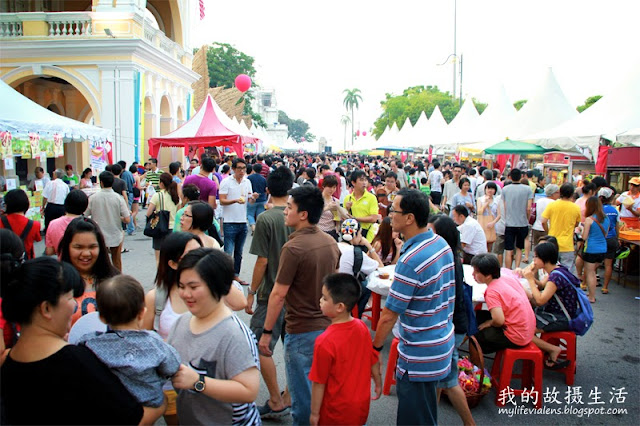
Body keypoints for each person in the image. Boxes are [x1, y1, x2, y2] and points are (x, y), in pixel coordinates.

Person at [0, 257, 151, 425]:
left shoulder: (10, 361)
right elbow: (132, 417)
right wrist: (160, 406)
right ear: (46, 308)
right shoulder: (77, 361)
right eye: (70, 297)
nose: (74, 305)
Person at [257, 185, 341, 425]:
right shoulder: (329, 242)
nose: (284, 211)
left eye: (290, 208)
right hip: (327, 327)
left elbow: (278, 294)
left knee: (302, 397)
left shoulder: (293, 248)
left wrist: (266, 332)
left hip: (302, 328)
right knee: (320, 387)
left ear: (303, 214)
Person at [372, 188, 456, 425]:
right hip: (441, 340)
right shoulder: (440, 242)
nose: (389, 214)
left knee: (415, 417)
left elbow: (389, 315)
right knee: (425, 412)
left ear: (409, 218)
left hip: (420, 353)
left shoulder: (410, 261)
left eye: (394, 210)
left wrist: (376, 349)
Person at [168, 248, 261, 425]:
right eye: (181, 286)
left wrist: (198, 382)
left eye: (193, 287)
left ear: (218, 285)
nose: (185, 294)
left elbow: (248, 391)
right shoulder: (181, 322)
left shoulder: (234, 334)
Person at [78, 275, 181, 408]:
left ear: (102, 317)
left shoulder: (89, 343)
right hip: (149, 402)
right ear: (142, 313)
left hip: (111, 404)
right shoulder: (153, 341)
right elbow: (172, 365)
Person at [246, 166, 294, 419]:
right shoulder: (299, 216)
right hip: (296, 295)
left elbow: (262, 261)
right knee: (295, 347)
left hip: (270, 293)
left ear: (267, 189)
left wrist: (251, 291)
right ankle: (288, 396)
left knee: (261, 345)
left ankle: (276, 400)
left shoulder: (266, 219)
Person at [309, 273, 381, 426]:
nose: (320, 301)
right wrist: (378, 381)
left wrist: (315, 413)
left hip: (335, 411)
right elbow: (372, 358)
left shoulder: (324, 342)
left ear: (340, 307)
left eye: (324, 298)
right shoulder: (361, 327)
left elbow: (319, 382)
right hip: (360, 405)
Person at [427, 215, 475, 426]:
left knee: (443, 379)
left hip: (451, 327)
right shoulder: (452, 256)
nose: (427, 236)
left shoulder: (447, 260)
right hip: (454, 326)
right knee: (446, 379)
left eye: (431, 232)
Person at [520, 242, 580, 369]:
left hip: (561, 317)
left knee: (521, 329)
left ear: (545, 259)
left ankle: (552, 349)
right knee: (524, 316)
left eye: (536, 257)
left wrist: (530, 280)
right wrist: (527, 276)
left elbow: (541, 300)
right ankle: (541, 349)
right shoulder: (558, 270)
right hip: (562, 313)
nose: (534, 260)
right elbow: (542, 286)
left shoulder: (555, 277)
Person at [58, 217, 120, 325]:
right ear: (67, 247)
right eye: (78, 247)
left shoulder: (116, 281)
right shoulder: (55, 281)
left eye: (92, 247)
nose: (86, 253)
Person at [471, 253, 535, 354]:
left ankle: (475, 366)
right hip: (528, 329)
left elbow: (499, 321)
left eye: (476, 272)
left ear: (488, 275)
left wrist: (489, 323)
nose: (473, 274)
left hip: (515, 337)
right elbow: (529, 295)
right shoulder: (507, 277)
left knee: (474, 335)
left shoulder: (492, 292)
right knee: (478, 316)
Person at [219, 159, 257, 284]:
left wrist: (253, 198)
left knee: (239, 253)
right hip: (229, 221)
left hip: (242, 221)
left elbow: (250, 200)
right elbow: (222, 200)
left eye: (243, 168)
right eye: (239, 168)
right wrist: (235, 200)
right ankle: (225, 276)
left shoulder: (247, 181)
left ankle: (236, 275)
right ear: (234, 169)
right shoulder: (226, 182)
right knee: (228, 252)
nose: (242, 171)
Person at [85, 171, 130, 271]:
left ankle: (102, 280)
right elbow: (127, 219)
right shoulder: (118, 198)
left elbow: (85, 214)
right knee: (116, 261)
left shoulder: (93, 198)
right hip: (115, 233)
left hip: (99, 234)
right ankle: (118, 280)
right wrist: (119, 217)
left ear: (101, 183)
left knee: (101, 261)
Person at [541, 183, 581, 273]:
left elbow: (543, 221)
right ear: (572, 194)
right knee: (567, 271)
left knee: (550, 269)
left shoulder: (552, 205)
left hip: (552, 242)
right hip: (567, 244)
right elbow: (576, 224)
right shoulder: (575, 207)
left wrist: (548, 232)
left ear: (560, 192)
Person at [576, 196, 609, 303]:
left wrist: (580, 231)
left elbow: (584, 237)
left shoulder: (589, 219)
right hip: (603, 249)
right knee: (593, 272)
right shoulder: (606, 218)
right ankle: (591, 293)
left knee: (590, 273)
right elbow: (606, 234)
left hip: (591, 249)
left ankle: (591, 297)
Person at [502, 168, 533, 269]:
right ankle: (517, 268)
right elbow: (529, 208)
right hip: (522, 223)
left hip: (509, 223)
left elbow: (505, 206)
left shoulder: (505, 189)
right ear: (521, 176)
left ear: (510, 177)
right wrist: (527, 219)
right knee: (519, 248)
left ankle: (507, 269)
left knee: (508, 249)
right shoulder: (528, 189)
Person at [147, 172, 179, 263]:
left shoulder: (157, 196)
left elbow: (148, 213)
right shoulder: (175, 196)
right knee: (171, 257)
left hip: (160, 228)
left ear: (161, 183)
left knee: (159, 258)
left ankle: (161, 276)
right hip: (173, 228)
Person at [0, 189, 41, 259]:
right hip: (26, 261)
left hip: (5, 261)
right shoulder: (35, 224)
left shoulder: (1, 221)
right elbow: (37, 239)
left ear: (7, 205)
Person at [45, 189, 88, 255]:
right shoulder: (89, 224)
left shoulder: (53, 224)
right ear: (85, 207)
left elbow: (49, 251)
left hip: (63, 263)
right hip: (85, 263)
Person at [344, 169, 381, 242]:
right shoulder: (348, 198)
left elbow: (374, 218)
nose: (364, 183)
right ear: (353, 183)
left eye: (365, 180)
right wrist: (347, 209)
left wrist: (355, 218)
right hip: (352, 233)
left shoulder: (371, 198)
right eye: (361, 180)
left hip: (367, 233)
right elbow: (345, 218)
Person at [598, 187, 619, 294]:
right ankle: (605, 287)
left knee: (593, 264)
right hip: (611, 239)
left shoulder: (598, 210)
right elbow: (617, 226)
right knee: (608, 264)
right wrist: (617, 238)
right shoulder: (615, 211)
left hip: (599, 239)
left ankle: (585, 284)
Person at [318, 174, 348, 241]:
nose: (332, 190)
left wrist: (337, 227)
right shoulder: (317, 199)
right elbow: (313, 214)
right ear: (324, 186)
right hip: (319, 232)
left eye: (334, 187)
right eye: (329, 187)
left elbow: (340, 217)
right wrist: (327, 207)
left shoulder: (335, 201)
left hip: (332, 232)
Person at [477, 181, 501, 252]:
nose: (490, 190)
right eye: (488, 188)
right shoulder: (480, 199)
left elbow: (499, 214)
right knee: (482, 244)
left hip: (492, 225)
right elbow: (479, 212)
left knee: (490, 244)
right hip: (482, 223)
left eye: (492, 189)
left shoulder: (496, 200)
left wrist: (493, 222)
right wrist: (486, 203)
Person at [247, 163, 268, 235]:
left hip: (252, 198)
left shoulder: (249, 178)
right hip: (262, 199)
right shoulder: (263, 179)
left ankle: (253, 227)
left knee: (250, 214)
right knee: (260, 215)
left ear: (253, 169)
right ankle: (259, 229)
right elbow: (266, 189)